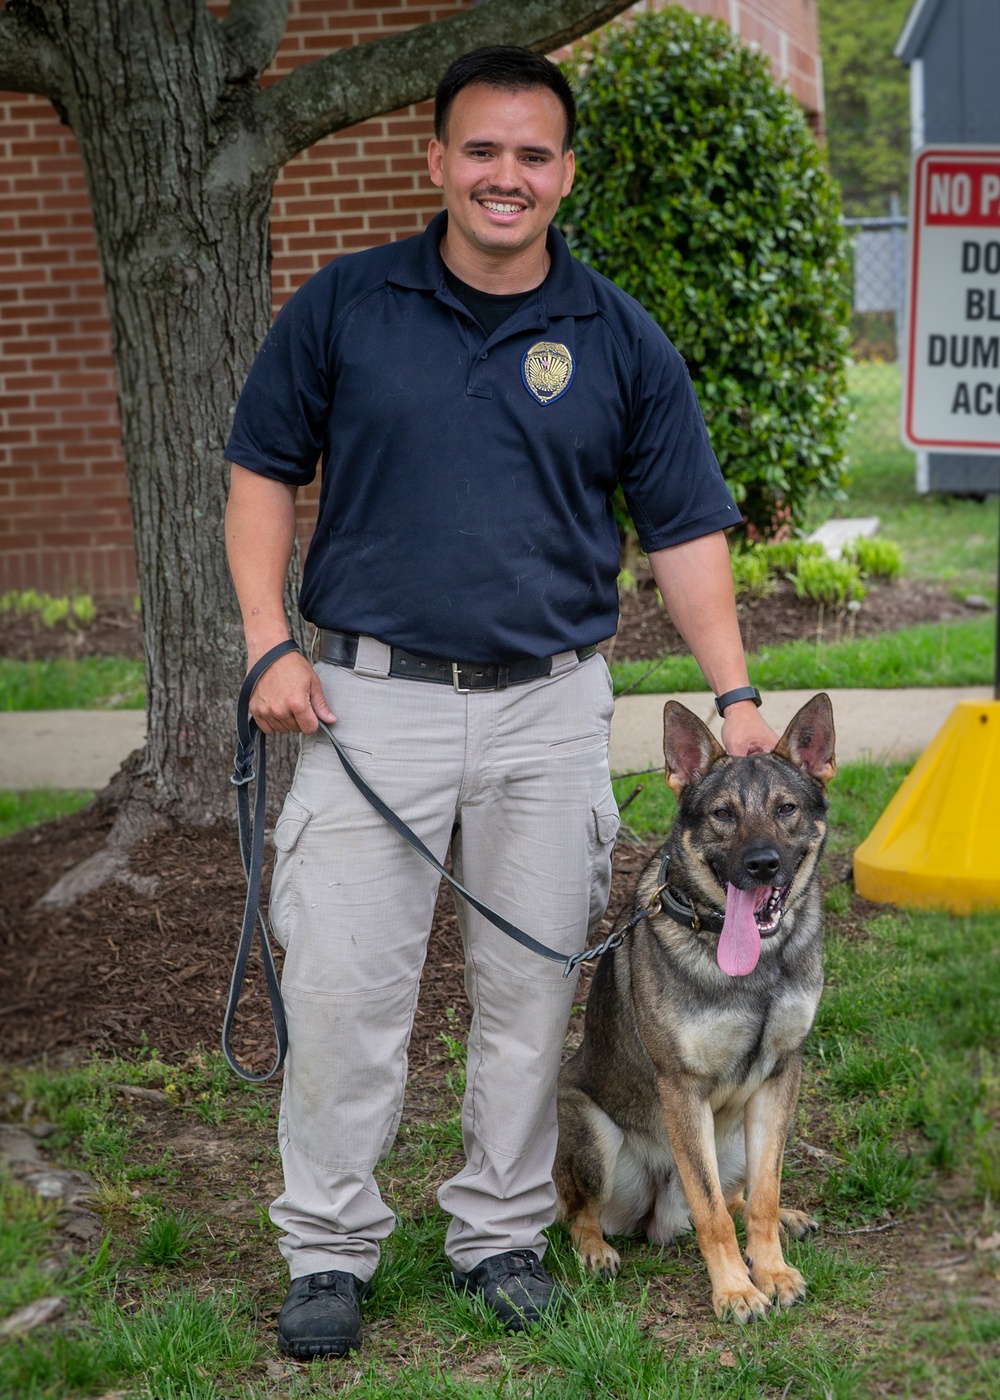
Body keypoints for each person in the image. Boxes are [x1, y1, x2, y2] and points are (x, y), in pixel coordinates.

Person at [224, 45, 777, 1359]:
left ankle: (494, 1235)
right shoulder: (345, 307)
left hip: (548, 708)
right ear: (436, 162)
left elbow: (688, 526)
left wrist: (736, 693)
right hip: (368, 704)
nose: (506, 177)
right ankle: (329, 1249)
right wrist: (264, 646)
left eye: (533, 155)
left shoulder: (618, 336)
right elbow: (259, 471)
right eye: (481, 150)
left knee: (531, 999)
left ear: (565, 174)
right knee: (352, 994)